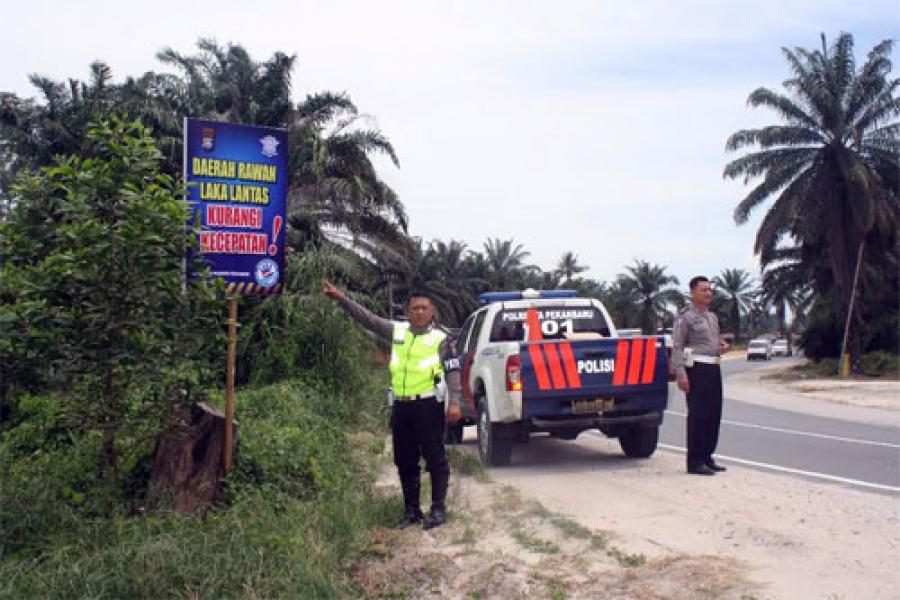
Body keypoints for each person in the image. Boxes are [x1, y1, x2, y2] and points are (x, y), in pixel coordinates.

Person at [323, 281, 462, 529]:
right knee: (404, 459)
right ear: (407, 312)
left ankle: (438, 509)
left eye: (424, 308)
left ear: (431, 312)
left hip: (428, 405)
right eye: (415, 308)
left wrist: (455, 403)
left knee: (435, 458)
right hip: (401, 406)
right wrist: (342, 299)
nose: (419, 312)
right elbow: (367, 319)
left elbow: (453, 371)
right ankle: (412, 511)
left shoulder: (442, 339)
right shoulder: (396, 331)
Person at [672, 276, 730, 476]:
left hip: (714, 367)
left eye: (710, 290)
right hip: (696, 369)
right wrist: (681, 374)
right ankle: (695, 461)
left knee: (713, 415)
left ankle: (707, 456)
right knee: (698, 415)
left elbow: (713, 341)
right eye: (704, 290)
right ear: (692, 293)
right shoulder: (685, 317)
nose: (708, 293)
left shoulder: (712, 317)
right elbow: (678, 346)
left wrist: (722, 346)